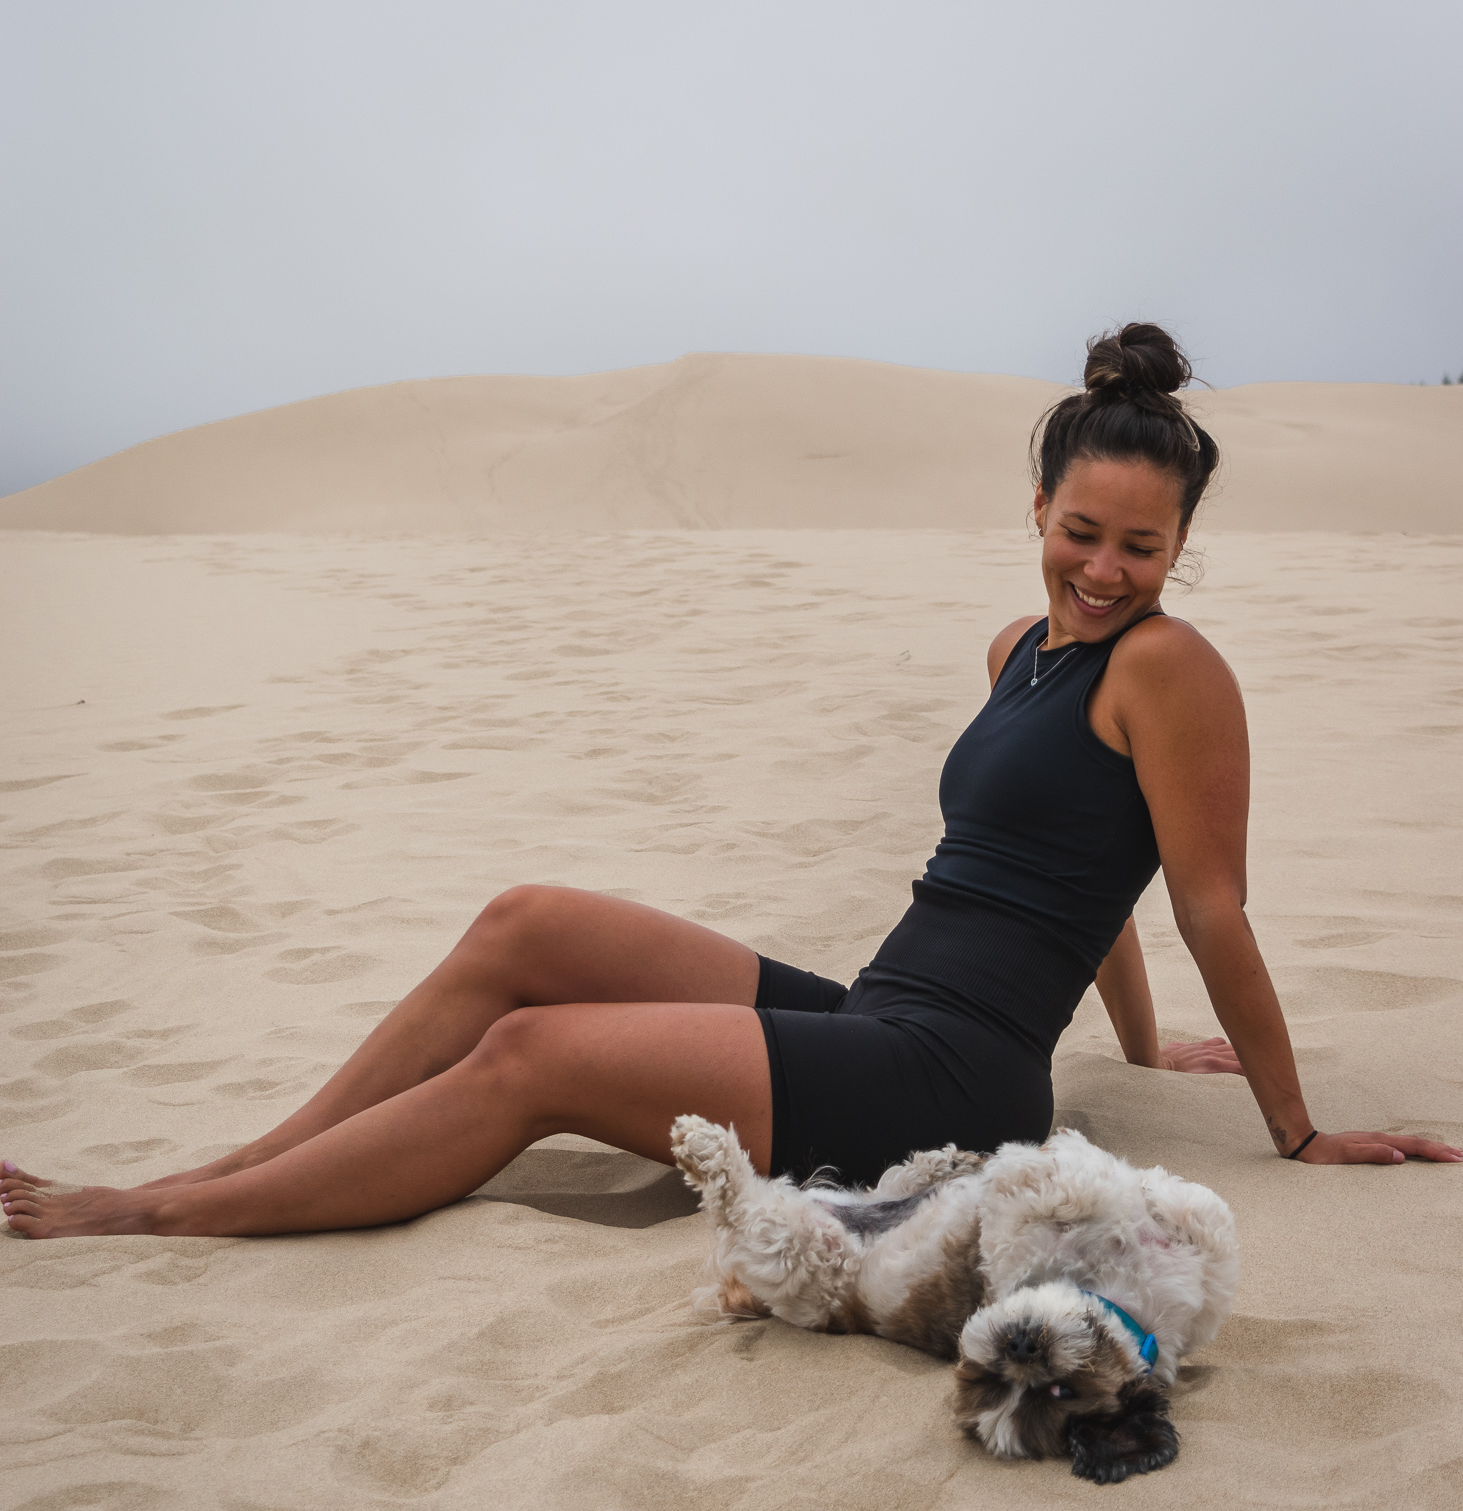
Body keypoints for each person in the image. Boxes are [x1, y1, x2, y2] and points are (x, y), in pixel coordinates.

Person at [4, 324, 1457, 1240]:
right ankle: (244, 1161)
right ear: (1038, 507)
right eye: (1082, 531)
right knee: (526, 924)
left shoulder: (1174, 669)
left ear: (1181, 544)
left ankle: (157, 1212)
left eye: (1141, 550)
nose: (1103, 571)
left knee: (535, 1057)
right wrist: (1139, 1056)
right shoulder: (1019, 645)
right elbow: (1084, 882)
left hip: (951, 1082)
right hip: (882, 1018)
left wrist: (1298, 1125)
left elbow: (1205, 903)